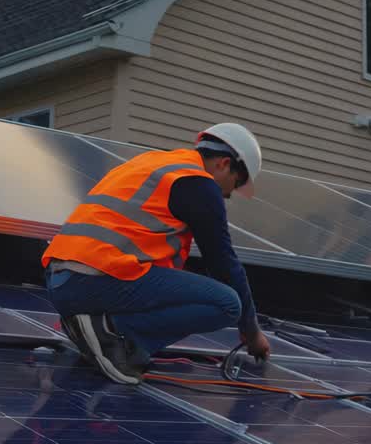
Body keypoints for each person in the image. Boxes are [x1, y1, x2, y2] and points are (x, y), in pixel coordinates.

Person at [40, 123, 271, 384]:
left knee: (192, 289)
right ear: (224, 164)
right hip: (95, 278)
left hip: (61, 280)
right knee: (227, 304)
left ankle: (95, 330)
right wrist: (251, 332)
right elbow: (223, 264)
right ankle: (114, 336)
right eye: (236, 183)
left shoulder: (154, 163)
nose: (229, 194)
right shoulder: (198, 183)